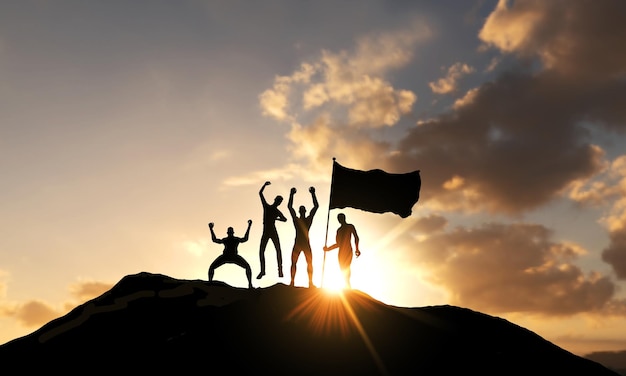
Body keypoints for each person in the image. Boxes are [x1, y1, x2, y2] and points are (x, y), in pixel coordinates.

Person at [287, 186, 319, 288]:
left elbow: (316, 207)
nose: (302, 210)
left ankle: (309, 282)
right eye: (301, 209)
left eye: (302, 209)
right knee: (295, 263)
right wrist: (291, 195)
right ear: (303, 211)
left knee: (308, 263)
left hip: (304, 243)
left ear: (303, 211)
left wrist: (313, 194)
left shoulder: (305, 220)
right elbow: (290, 207)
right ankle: (293, 282)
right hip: (300, 243)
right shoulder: (299, 220)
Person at [208, 220, 254, 289]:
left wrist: (249, 226)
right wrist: (211, 229)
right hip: (226, 256)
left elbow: (245, 239)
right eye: (229, 232)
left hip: (233, 256)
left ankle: (250, 284)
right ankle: (210, 283)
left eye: (230, 232)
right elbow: (215, 240)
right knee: (211, 267)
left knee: (247, 267)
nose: (230, 234)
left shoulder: (235, 239)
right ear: (229, 233)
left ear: (231, 233)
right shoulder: (226, 240)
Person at [257, 181, 288, 279]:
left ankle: (280, 271)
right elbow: (260, 194)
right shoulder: (268, 207)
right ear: (275, 200)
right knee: (262, 250)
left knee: (278, 250)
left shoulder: (275, 210)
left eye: (280, 202)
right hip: (267, 230)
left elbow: (285, 219)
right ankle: (262, 271)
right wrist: (264, 186)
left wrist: (277, 219)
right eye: (278, 201)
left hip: (271, 230)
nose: (278, 203)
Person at [323, 213, 361, 289]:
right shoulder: (339, 230)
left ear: (344, 218)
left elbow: (356, 237)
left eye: (340, 218)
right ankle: (346, 284)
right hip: (341, 252)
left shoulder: (350, 226)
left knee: (347, 267)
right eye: (339, 219)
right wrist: (328, 249)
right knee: (342, 268)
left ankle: (348, 285)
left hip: (348, 250)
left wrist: (357, 248)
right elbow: (338, 244)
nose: (340, 220)